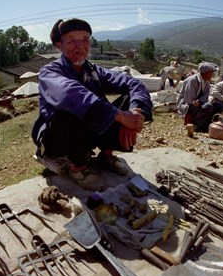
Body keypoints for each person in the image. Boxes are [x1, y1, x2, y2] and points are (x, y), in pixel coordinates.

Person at [32, 18, 153, 189]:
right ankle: (77, 167)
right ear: (59, 46)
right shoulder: (49, 71)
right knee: (71, 108)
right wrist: (119, 116)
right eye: (72, 40)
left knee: (127, 100)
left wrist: (134, 114)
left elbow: (133, 83)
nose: (80, 45)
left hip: (87, 130)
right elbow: (68, 93)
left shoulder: (93, 70)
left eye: (85, 39)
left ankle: (106, 155)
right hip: (58, 138)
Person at [177, 61, 220, 132]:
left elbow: (205, 96)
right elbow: (188, 98)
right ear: (205, 73)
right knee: (208, 106)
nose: (212, 75)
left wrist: (199, 101)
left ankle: (207, 124)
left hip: (198, 104)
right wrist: (195, 102)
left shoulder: (207, 83)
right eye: (211, 73)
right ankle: (196, 125)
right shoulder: (192, 80)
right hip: (187, 104)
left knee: (218, 106)